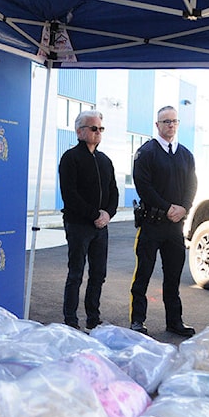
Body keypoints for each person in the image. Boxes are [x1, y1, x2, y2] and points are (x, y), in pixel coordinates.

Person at [130, 106, 198, 337]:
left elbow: (192, 185)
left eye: (174, 121)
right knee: (143, 275)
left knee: (173, 277)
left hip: (175, 226)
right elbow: (143, 186)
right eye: (165, 121)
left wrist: (184, 208)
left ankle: (174, 322)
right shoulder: (146, 152)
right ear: (157, 125)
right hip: (152, 224)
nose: (170, 125)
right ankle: (137, 320)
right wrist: (167, 207)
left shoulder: (186, 154)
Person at [58, 110, 119, 331]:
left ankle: (93, 318)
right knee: (76, 274)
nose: (98, 132)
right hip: (79, 225)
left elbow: (114, 191)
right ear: (80, 131)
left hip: (101, 227)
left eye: (101, 129)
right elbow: (70, 195)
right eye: (94, 128)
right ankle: (71, 320)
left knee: (98, 274)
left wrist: (107, 214)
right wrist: (95, 215)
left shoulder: (105, 160)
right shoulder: (70, 158)